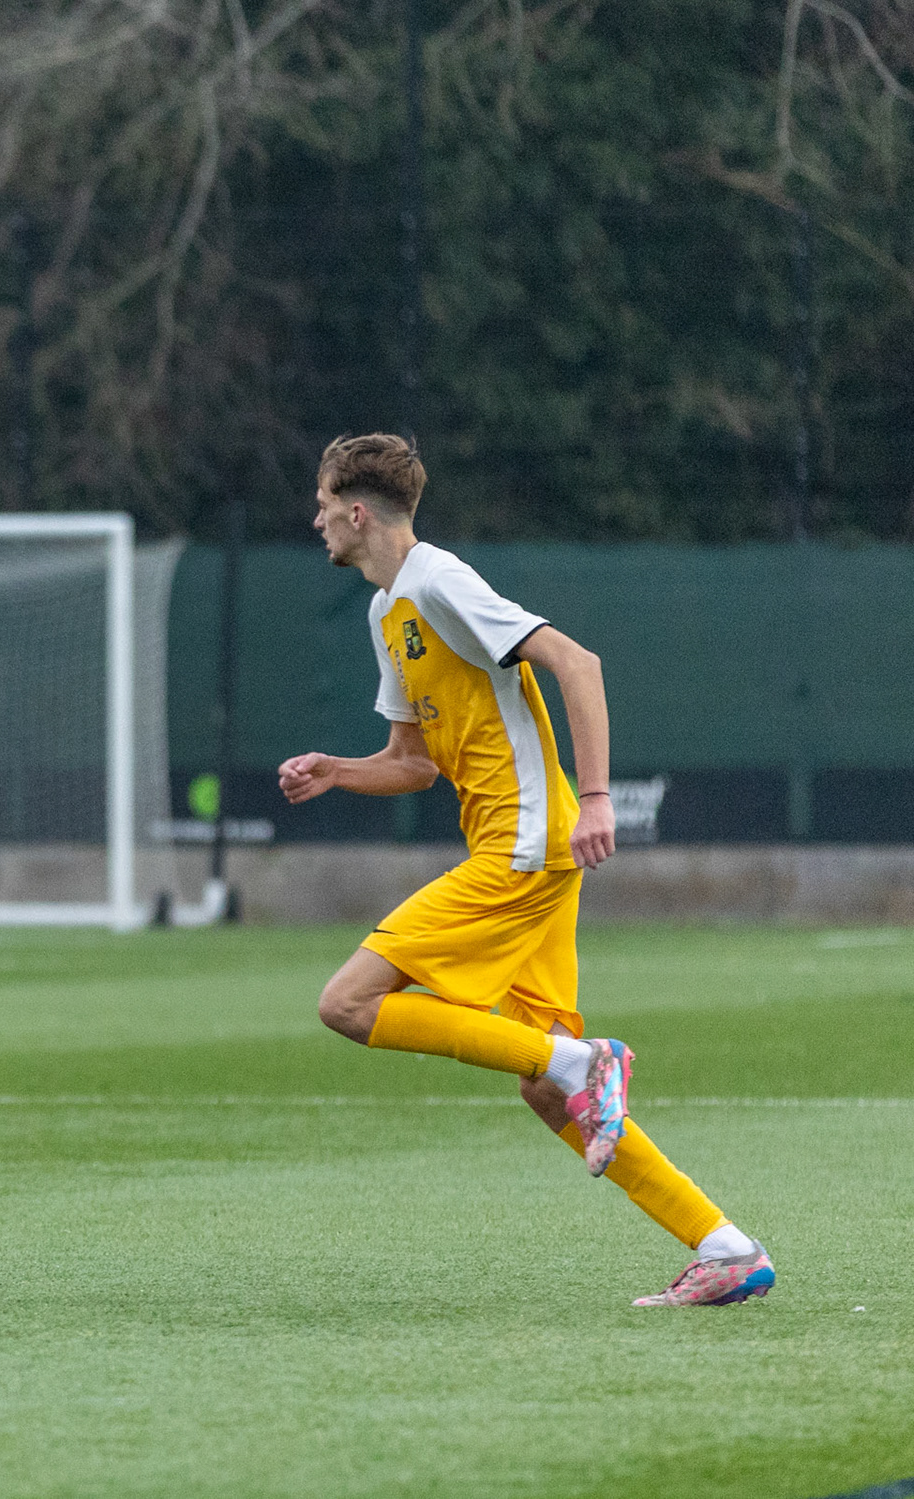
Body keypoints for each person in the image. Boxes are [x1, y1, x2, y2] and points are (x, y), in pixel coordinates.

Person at [277, 434, 773, 1308]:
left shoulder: (438, 580)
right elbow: (415, 761)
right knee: (546, 1089)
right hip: (517, 847)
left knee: (346, 1003)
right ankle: (723, 1246)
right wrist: (338, 770)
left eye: (322, 505)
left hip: (526, 841)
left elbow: (577, 663)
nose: (314, 520)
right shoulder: (387, 611)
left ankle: (586, 1061)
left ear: (357, 511)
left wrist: (597, 798)